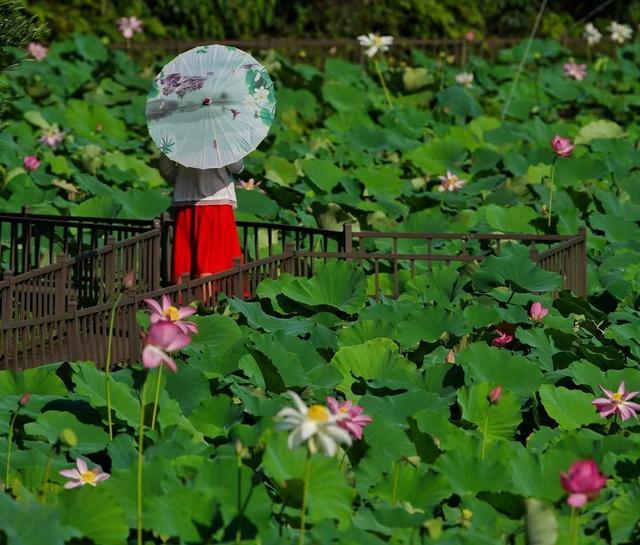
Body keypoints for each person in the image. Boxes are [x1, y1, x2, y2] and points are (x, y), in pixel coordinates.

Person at [159, 156, 244, 285]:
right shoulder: (223, 135)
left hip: (185, 201)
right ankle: (208, 302)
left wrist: (183, 178)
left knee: (185, 259)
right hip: (217, 202)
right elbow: (236, 168)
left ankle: (182, 300)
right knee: (211, 262)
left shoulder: (177, 135)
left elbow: (165, 168)